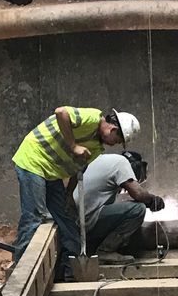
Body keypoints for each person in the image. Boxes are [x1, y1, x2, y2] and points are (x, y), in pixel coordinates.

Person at [11, 106, 140, 275]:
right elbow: (60, 112)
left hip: (52, 172)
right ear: (113, 129)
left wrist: (68, 194)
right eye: (117, 140)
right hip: (33, 159)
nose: (115, 144)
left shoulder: (97, 148)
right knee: (35, 217)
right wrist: (73, 146)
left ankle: (69, 273)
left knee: (67, 221)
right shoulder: (92, 118)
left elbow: (79, 167)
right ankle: (21, 272)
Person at [76, 148, 165, 256]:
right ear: (134, 166)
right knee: (138, 209)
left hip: (76, 219)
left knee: (134, 207)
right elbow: (138, 193)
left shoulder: (105, 161)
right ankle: (105, 252)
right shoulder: (121, 163)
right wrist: (152, 200)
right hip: (85, 222)